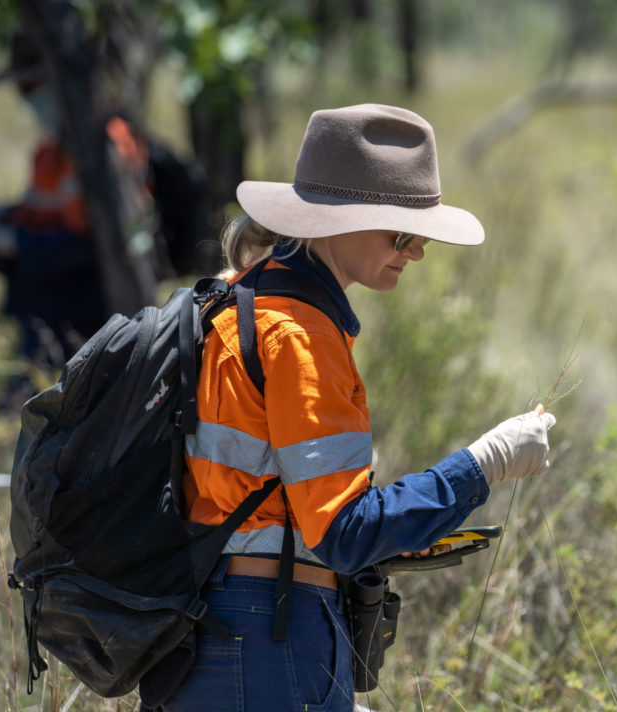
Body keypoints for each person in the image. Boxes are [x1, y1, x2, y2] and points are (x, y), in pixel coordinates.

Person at [166, 104, 557, 711]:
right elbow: (342, 535)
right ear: (339, 222)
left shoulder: (240, 302)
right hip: (270, 630)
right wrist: (485, 464)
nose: (417, 251)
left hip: (210, 627)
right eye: (403, 232)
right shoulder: (300, 336)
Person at [0, 31, 156, 368]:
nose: (27, 98)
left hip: (87, 313)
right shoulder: (51, 149)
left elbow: (89, 243)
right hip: (43, 305)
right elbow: (44, 211)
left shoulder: (108, 146)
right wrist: (3, 218)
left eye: (32, 87)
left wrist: (14, 241)